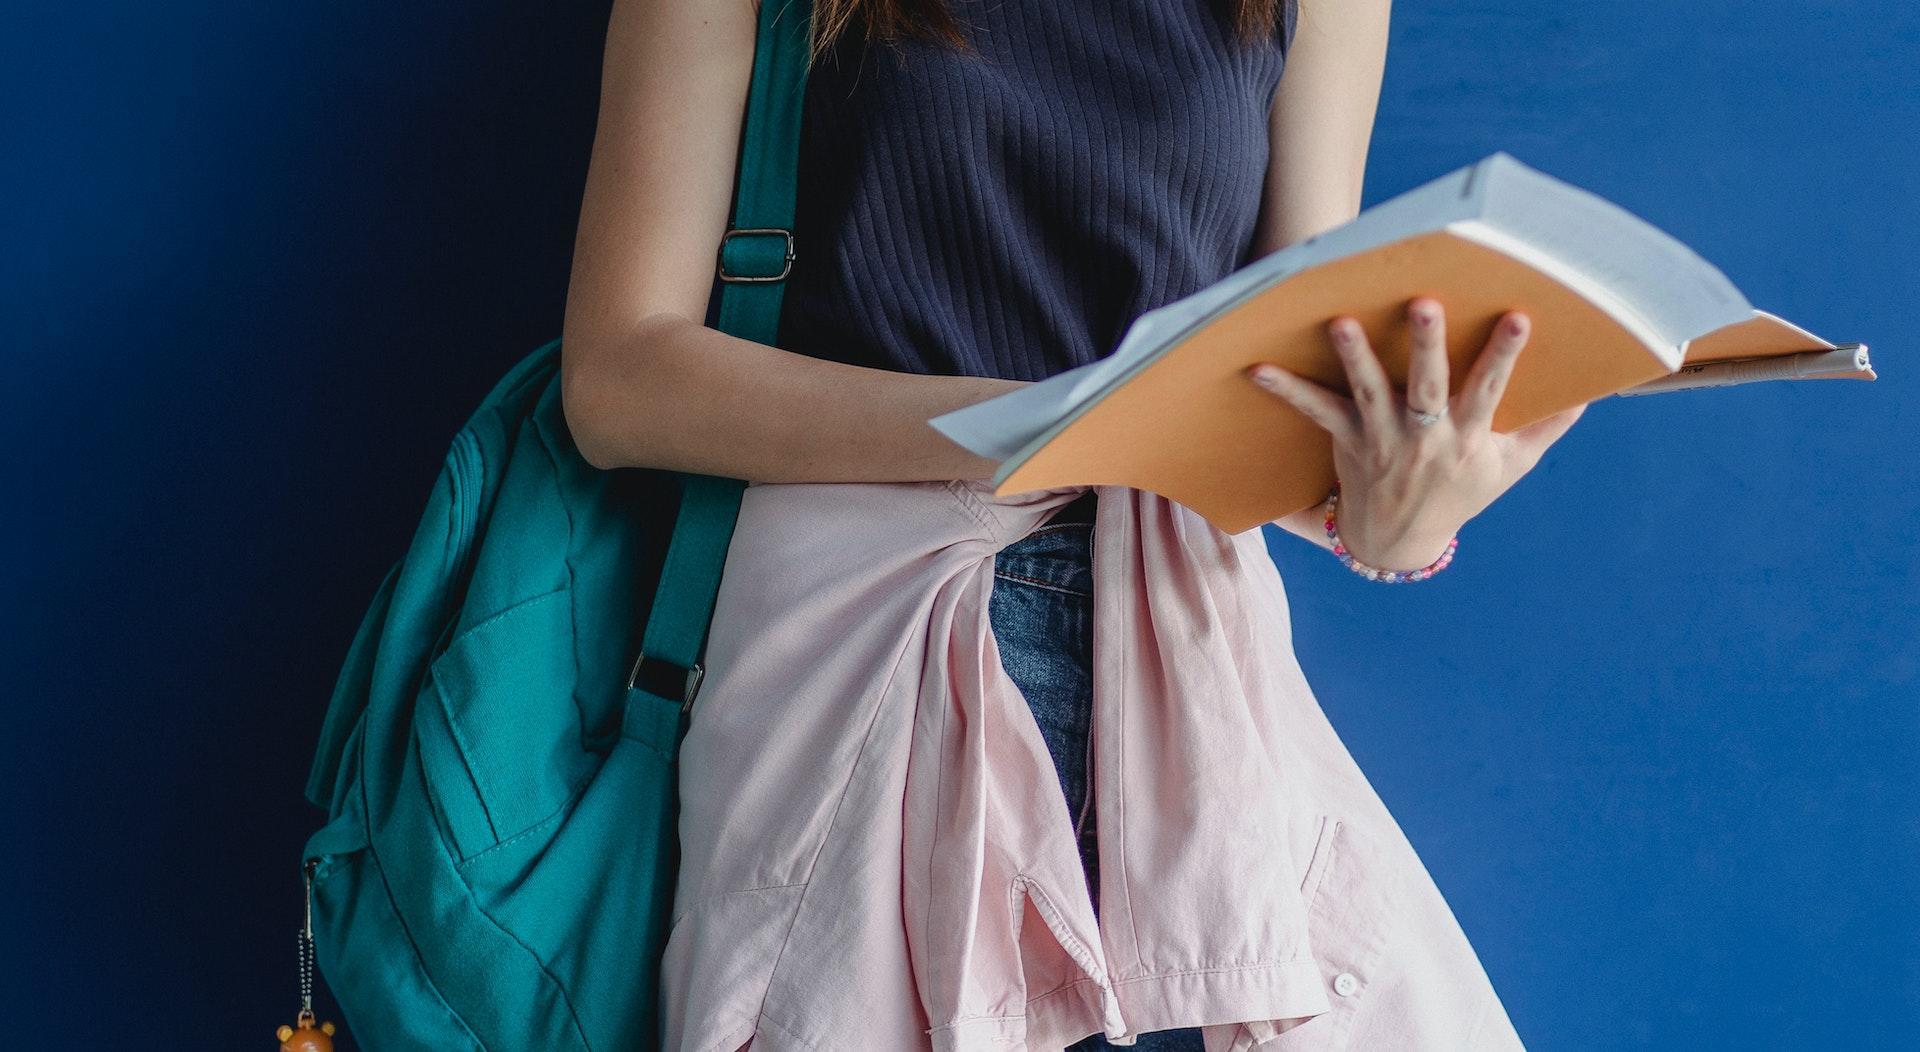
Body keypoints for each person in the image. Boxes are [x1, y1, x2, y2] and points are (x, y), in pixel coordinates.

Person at [559, 0, 1587, 1048]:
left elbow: (1294, 399)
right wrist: (1053, 423)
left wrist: (1401, 522)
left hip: (1193, 664)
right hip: (866, 650)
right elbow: (619, 379)